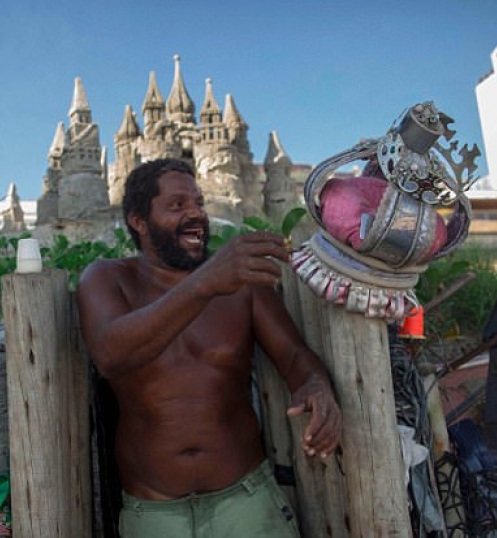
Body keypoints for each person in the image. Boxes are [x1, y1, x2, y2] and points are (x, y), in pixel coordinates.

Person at [77, 158, 342, 538]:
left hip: (246, 503)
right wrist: (205, 283)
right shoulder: (107, 278)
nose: (196, 214)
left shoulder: (241, 283)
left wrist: (315, 384)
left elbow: (295, 357)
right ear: (139, 221)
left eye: (198, 203)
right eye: (177, 205)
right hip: (153, 514)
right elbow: (110, 356)